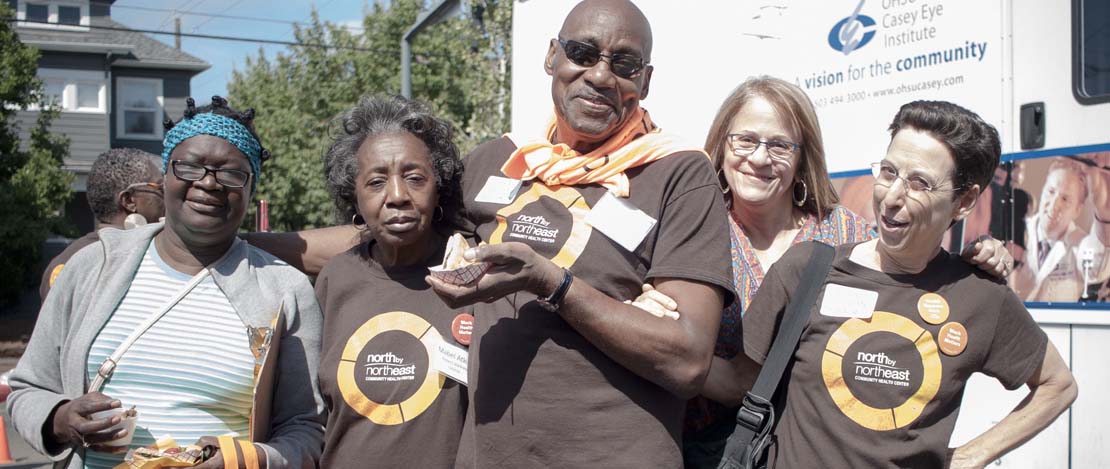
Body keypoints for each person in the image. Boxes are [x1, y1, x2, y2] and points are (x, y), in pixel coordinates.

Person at [426, 1, 733, 466]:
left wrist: (552, 283)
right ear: (553, 57)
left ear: (645, 82)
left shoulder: (680, 174)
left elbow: (688, 361)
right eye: (583, 53)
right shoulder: (498, 160)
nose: (601, 76)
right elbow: (391, 229)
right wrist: (277, 246)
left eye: (625, 64)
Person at [670, 76, 1016, 467]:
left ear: (803, 156)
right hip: (704, 451)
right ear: (722, 144)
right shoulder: (691, 230)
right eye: (745, 140)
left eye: (780, 145)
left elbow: (911, 275)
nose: (760, 158)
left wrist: (982, 251)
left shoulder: (844, 232)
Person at [7, 97, 325, 469]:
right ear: (165, 180)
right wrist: (61, 419)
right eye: (190, 167)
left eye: (232, 174)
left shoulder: (284, 290)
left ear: (251, 188)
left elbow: (307, 429)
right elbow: (27, 389)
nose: (209, 183)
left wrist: (246, 460)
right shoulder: (93, 267)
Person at [314, 95, 469, 467]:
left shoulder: (474, 273)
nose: (397, 196)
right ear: (355, 196)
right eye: (377, 181)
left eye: (415, 178)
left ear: (439, 186)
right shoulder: (335, 279)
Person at [39, 148, 164, 303]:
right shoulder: (142, 261)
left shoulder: (65, 260)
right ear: (129, 201)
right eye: (159, 188)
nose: (166, 195)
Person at [1011, 157, 1110, 301]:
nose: (1054, 205)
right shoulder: (1017, 230)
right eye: (1051, 191)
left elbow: (1097, 268)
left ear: (1077, 210)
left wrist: (1104, 214)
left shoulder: (1081, 244)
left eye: (1065, 199)